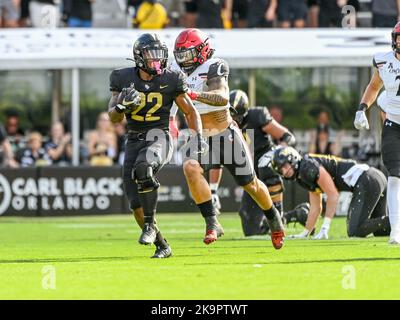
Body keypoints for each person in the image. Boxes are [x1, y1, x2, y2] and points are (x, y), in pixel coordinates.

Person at [173, 28, 285, 249]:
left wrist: (193, 94)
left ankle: (274, 219)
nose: (183, 60)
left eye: (187, 54)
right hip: (200, 137)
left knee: (251, 184)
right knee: (190, 168)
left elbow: (222, 97)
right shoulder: (176, 75)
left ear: (202, 50)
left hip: (225, 135)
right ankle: (211, 222)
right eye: (180, 55)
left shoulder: (214, 66)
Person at [108, 33, 205, 258]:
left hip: (160, 135)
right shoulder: (122, 77)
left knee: (143, 168)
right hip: (133, 138)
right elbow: (112, 117)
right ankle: (163, 245)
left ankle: (150, 226)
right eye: (151, 55)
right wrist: (122, 107)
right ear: (139, 57)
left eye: (160, 55)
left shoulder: (171, 78)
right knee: (135, 205)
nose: (156, 60)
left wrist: (197, 137)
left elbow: (190, 111)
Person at [208, 89, 309, 236]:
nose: (234, 120)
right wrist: (213, 191)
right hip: (251, 175)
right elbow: (217, 159)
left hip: (267, 164)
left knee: (265, 165)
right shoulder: (222, 124)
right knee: (251, 229)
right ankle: (297, 215)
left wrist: (279, 154)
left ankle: (279, 216)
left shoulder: (257, 116)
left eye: (237, 116)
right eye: (231, 115)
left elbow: (287, 137)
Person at [271, 146, 391, 239]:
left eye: (285, 165)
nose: (284, 171)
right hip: (372, 178)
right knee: (381, 232)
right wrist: (305, 233)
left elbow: (333, 194)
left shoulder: (307, 167)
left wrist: (325, 227)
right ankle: (394, 220)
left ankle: (396, 219)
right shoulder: (302, 173)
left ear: (293, 158)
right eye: (281, 169)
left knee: (355, 230)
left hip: (367, 179)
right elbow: (315, 207)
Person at [354, 23, 400, 245]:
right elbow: (373, 87)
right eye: (398, 38)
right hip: (393, 125)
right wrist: (362, 109)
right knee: (395, 176)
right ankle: (396, 230)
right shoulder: (384, 60)